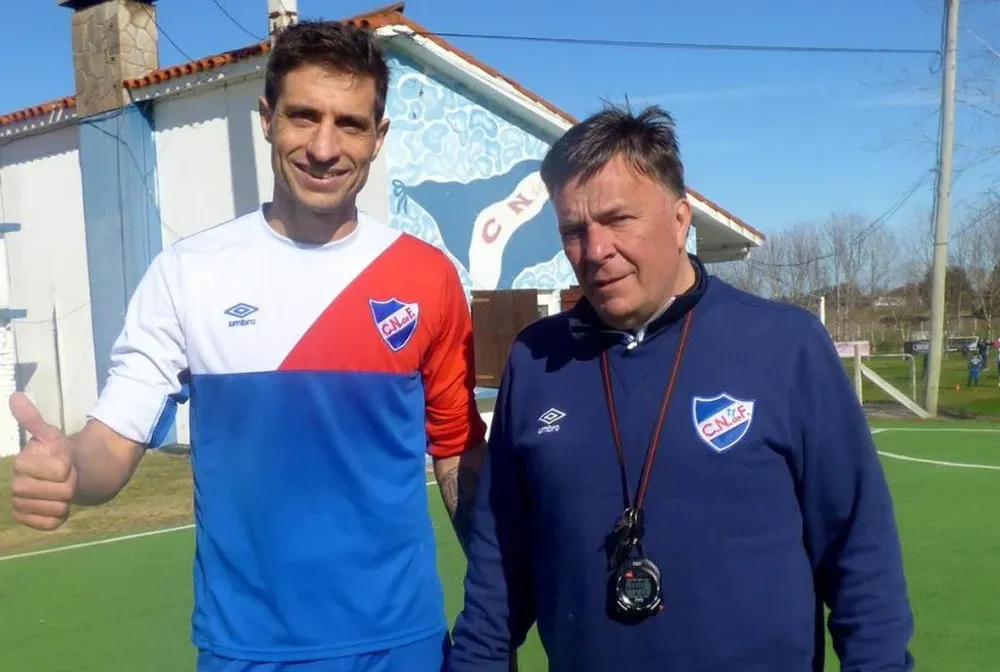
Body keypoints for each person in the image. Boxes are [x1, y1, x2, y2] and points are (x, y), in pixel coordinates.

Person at [9, 21, 488, 672]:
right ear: (267, 118)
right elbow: (111, 443)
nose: (323, 147)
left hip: (400, 644)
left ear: (379, 138)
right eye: (303, 116)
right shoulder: (189, 272)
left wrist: (497, 597)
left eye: (349, 124)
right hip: (249, 651)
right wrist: (72, 469)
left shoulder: (427, 277)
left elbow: (456, 451)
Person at [447, 104, 915, 671]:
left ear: (679, 218)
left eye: (619, 219)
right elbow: (500, 565)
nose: (595, 251)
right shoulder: (536, 357)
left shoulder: (785, 345)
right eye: (574, 230)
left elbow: (858, 551)